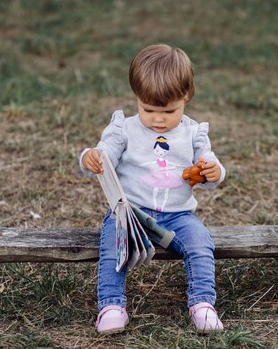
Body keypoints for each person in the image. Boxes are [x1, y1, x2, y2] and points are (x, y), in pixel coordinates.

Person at [79, 44, 226, 334]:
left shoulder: (193, 133)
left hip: (177, 215)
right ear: (137, 98)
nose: (158, 119)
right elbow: (102, 153)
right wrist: (90, 157)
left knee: (200, 242)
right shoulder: (124, 129)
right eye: (148, 109)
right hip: (131, 212)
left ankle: (203, 304)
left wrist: (213, 171)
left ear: (187, 96)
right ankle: (111, 305)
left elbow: (209, 164)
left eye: (169, 111)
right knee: (113, 247)